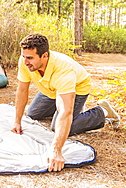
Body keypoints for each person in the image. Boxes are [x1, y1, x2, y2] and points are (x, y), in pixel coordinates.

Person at [11, 33, 120, 172]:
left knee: (58, 128)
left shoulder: (63, 70)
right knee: (32, 113)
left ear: (44, 56)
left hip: (77, 87)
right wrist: (17, 121)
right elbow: (22, 91)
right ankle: (75, 111)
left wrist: (56, 150)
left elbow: (65, 111)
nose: (25, 61)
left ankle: (102, 111)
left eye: (30, 58)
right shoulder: (25, 62)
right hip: (51, 89)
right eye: (24, 56)